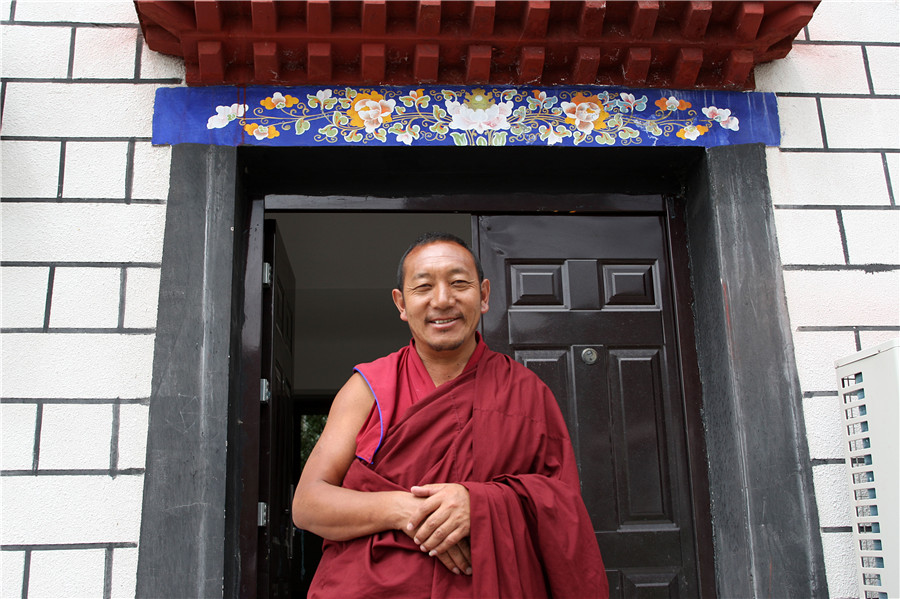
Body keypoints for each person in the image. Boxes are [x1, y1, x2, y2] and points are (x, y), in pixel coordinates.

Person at [292, 232, 608, 598]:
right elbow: (308, 505)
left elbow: (562, 512)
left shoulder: (525, 391)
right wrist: (408, 511)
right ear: (401, 303)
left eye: (459, 283)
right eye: (423, 287)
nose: (442, 300)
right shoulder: (369, 388)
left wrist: (477, 505)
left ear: (484, 295)